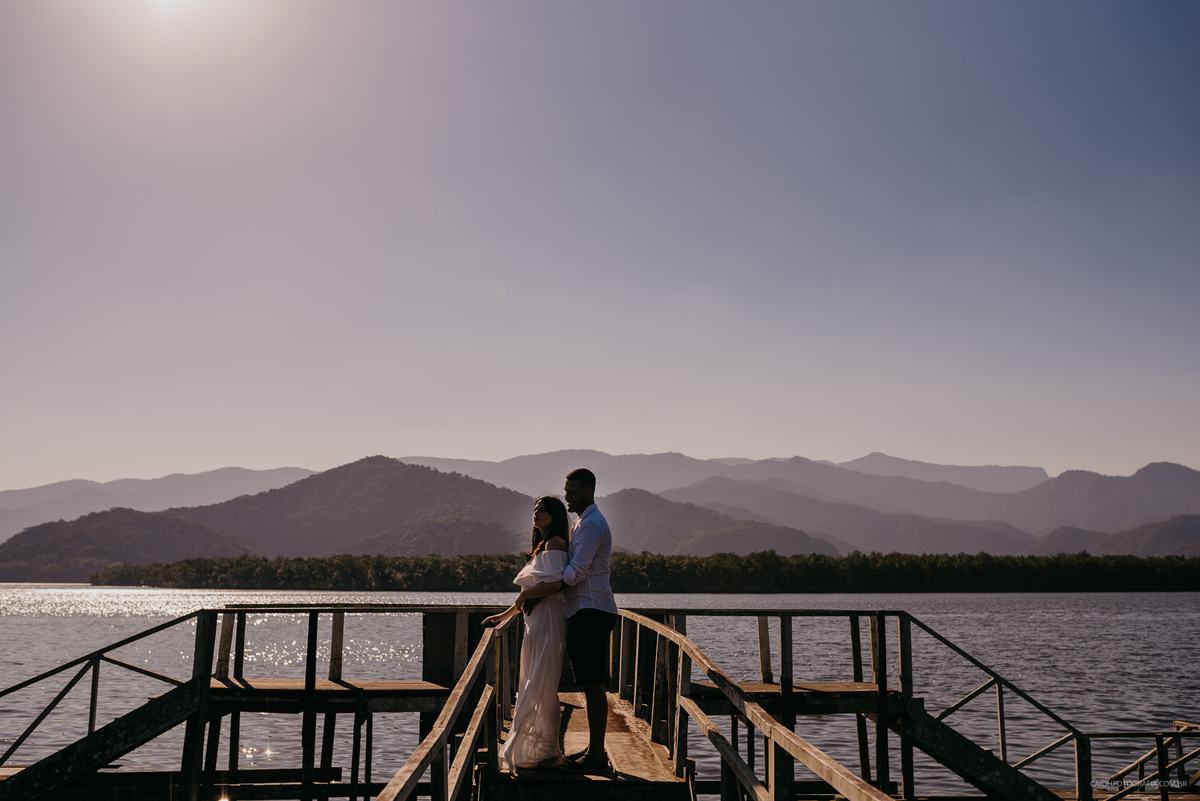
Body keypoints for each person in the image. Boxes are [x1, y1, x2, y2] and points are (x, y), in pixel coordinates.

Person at [482, 496, 571, 772]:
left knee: (543, 685)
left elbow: (556, 584)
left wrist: (527, 597)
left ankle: (544, 751)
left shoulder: (556, 543)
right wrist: (504, 615)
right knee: (531, 681)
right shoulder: (541, 546)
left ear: (554, 516)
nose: (536, 513)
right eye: (535, 509)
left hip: (549, 620)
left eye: (543, 510)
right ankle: (534, 750)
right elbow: (526, 595)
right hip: (535, 621)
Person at [560, 468, 619, 773]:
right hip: (585, 609)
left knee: (593, 684)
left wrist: (546, 579)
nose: (566, 496)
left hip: (591, 610)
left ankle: (596, 756)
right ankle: (595, 749)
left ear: (588, 492)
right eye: (566, 490)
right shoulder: (581, 522)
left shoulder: (592, 525)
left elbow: (576, 572)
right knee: (588, 682)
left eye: (571, 491)